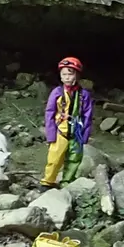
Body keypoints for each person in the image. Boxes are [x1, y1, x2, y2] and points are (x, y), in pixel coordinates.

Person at [41, 56, 94, 187]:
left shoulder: (84, 95)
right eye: (63, 74)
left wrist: (85, 136)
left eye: (70, 74)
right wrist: (51, 134)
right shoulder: (57, 92)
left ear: (77, 75)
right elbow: (50, 113)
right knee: (54, 158)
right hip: (60, 130)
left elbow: (87, 115)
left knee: (74, 158)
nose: (66, 77)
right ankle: (48, 181)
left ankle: (67, 181)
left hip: (77, 132)